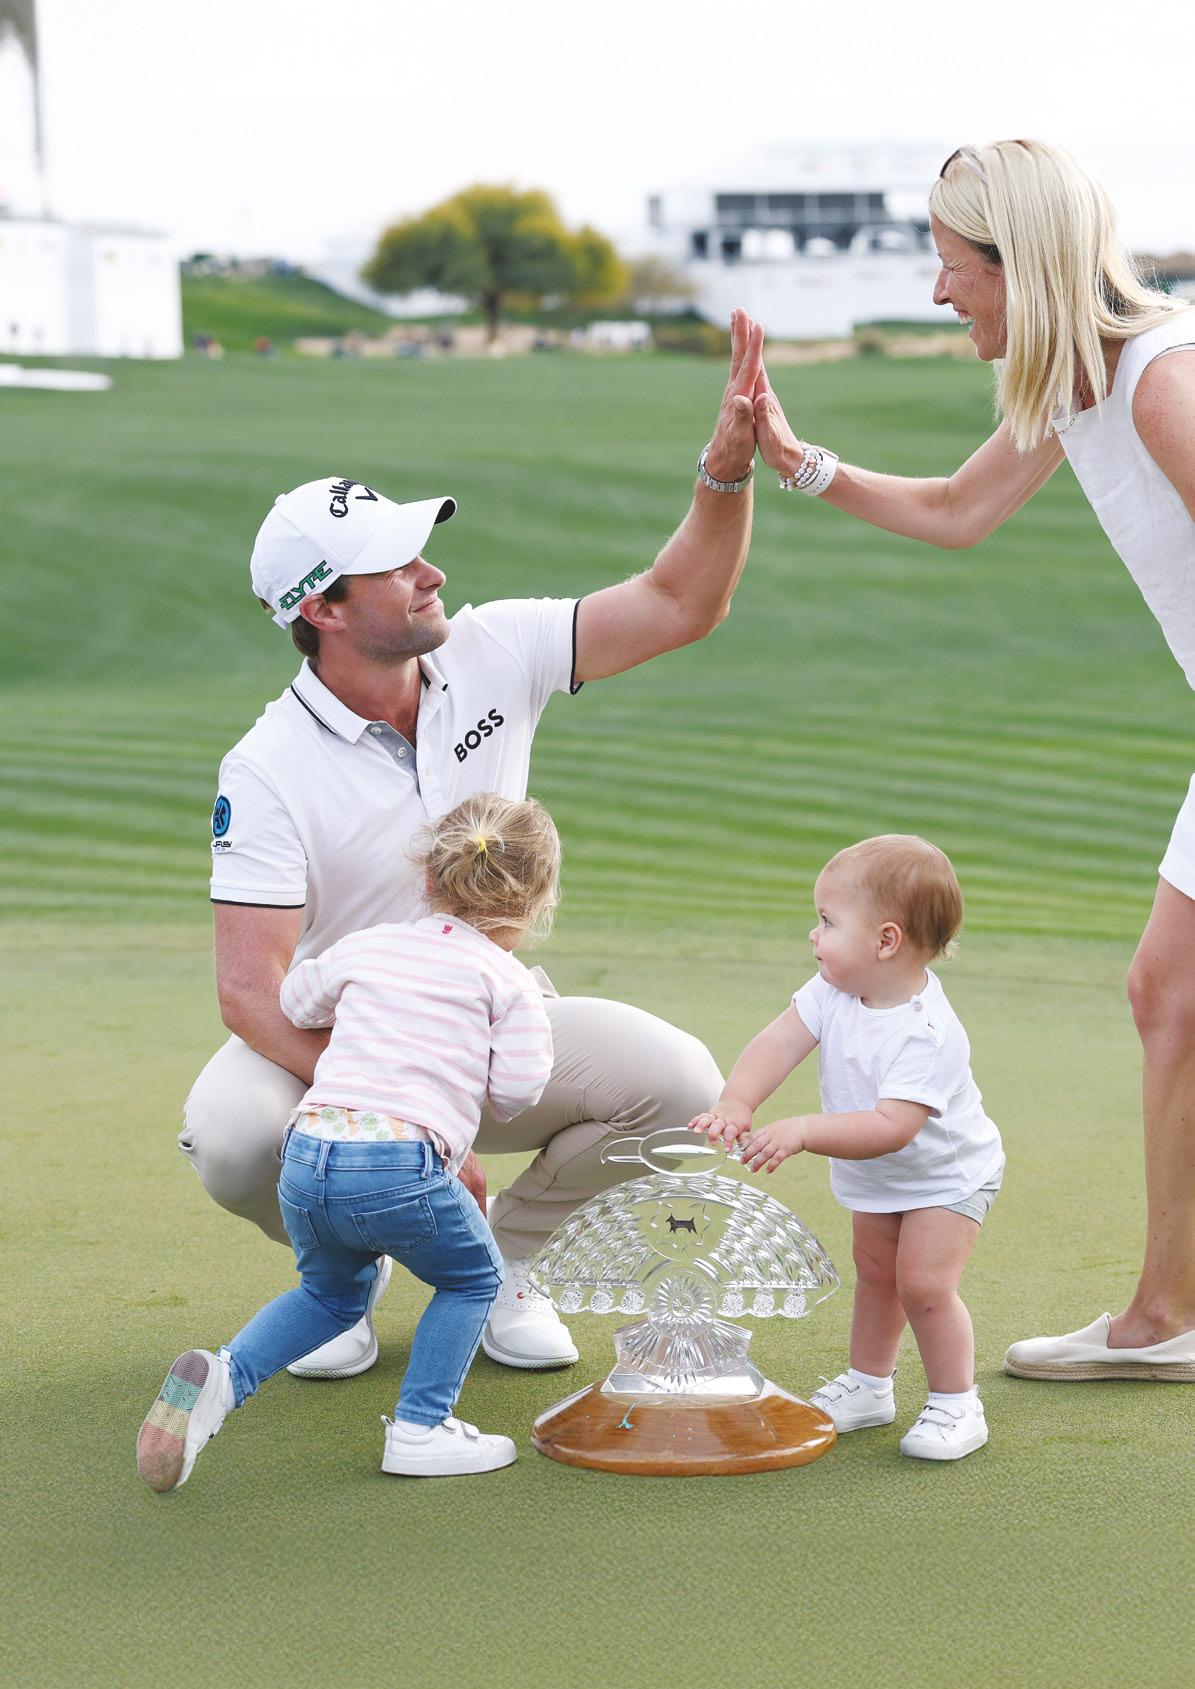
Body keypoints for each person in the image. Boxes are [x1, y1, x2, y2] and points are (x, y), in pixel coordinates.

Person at [180, 311, 764, 1379]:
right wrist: (393, 1121)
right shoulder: (263, 767)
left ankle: (501, 1263)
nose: (431, 572)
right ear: (323, 609)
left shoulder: (496, 648)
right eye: (394, 566)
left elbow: (682, 602)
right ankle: (339, 1271)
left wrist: (724, 472)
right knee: (230, 1133)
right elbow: (251, 994)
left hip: (494, 1023)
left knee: (683, 1087)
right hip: (346, 1040)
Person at [749, 140, 1195, 1384]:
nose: (940, 292)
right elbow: (957, 510)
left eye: (954, 266)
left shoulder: (1161, 381)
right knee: (1167, 994)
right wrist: (801, 464)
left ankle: (1165, 1316)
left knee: (1171, 993)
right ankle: (1165, 1318)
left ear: (1019, 264)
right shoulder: (1076, 386)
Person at [140, 793, 559, 1491]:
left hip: (307, 1156)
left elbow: (297, 1002)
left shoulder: (370, 945)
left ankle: (224, 1375)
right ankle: (421, 1428)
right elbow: (517, 1092)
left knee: (330, 1295)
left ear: (428, 875)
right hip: (401, 1165)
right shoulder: (508, 982)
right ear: (535, 901)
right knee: (473, 1278)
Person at [690, 835, 1004, 1460]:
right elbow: (779, 1041)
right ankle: (869, 1385)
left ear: (886, 941)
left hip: (947, 1177)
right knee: (876, 1275)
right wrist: (736, 1103)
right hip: (881, 1177)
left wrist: (804, 1131)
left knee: (923, 1285)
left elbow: (892, 1127)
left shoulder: (927, 1033)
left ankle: (956, 1403)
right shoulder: (833, 989)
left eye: (828, 922)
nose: (814, 935)